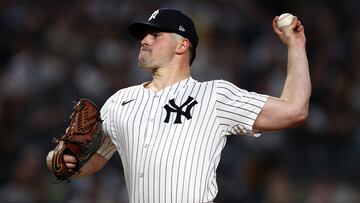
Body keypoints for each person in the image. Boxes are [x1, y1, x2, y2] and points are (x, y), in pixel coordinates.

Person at [46, 8, 311, 203]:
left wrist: (295, 45)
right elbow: (90, 161)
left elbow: (294, 110)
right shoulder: (119, 102)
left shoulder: (214, 95)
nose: (144, 40)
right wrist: (59, 158)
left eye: (156, 34)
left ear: (182, 45)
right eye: (144, 35)